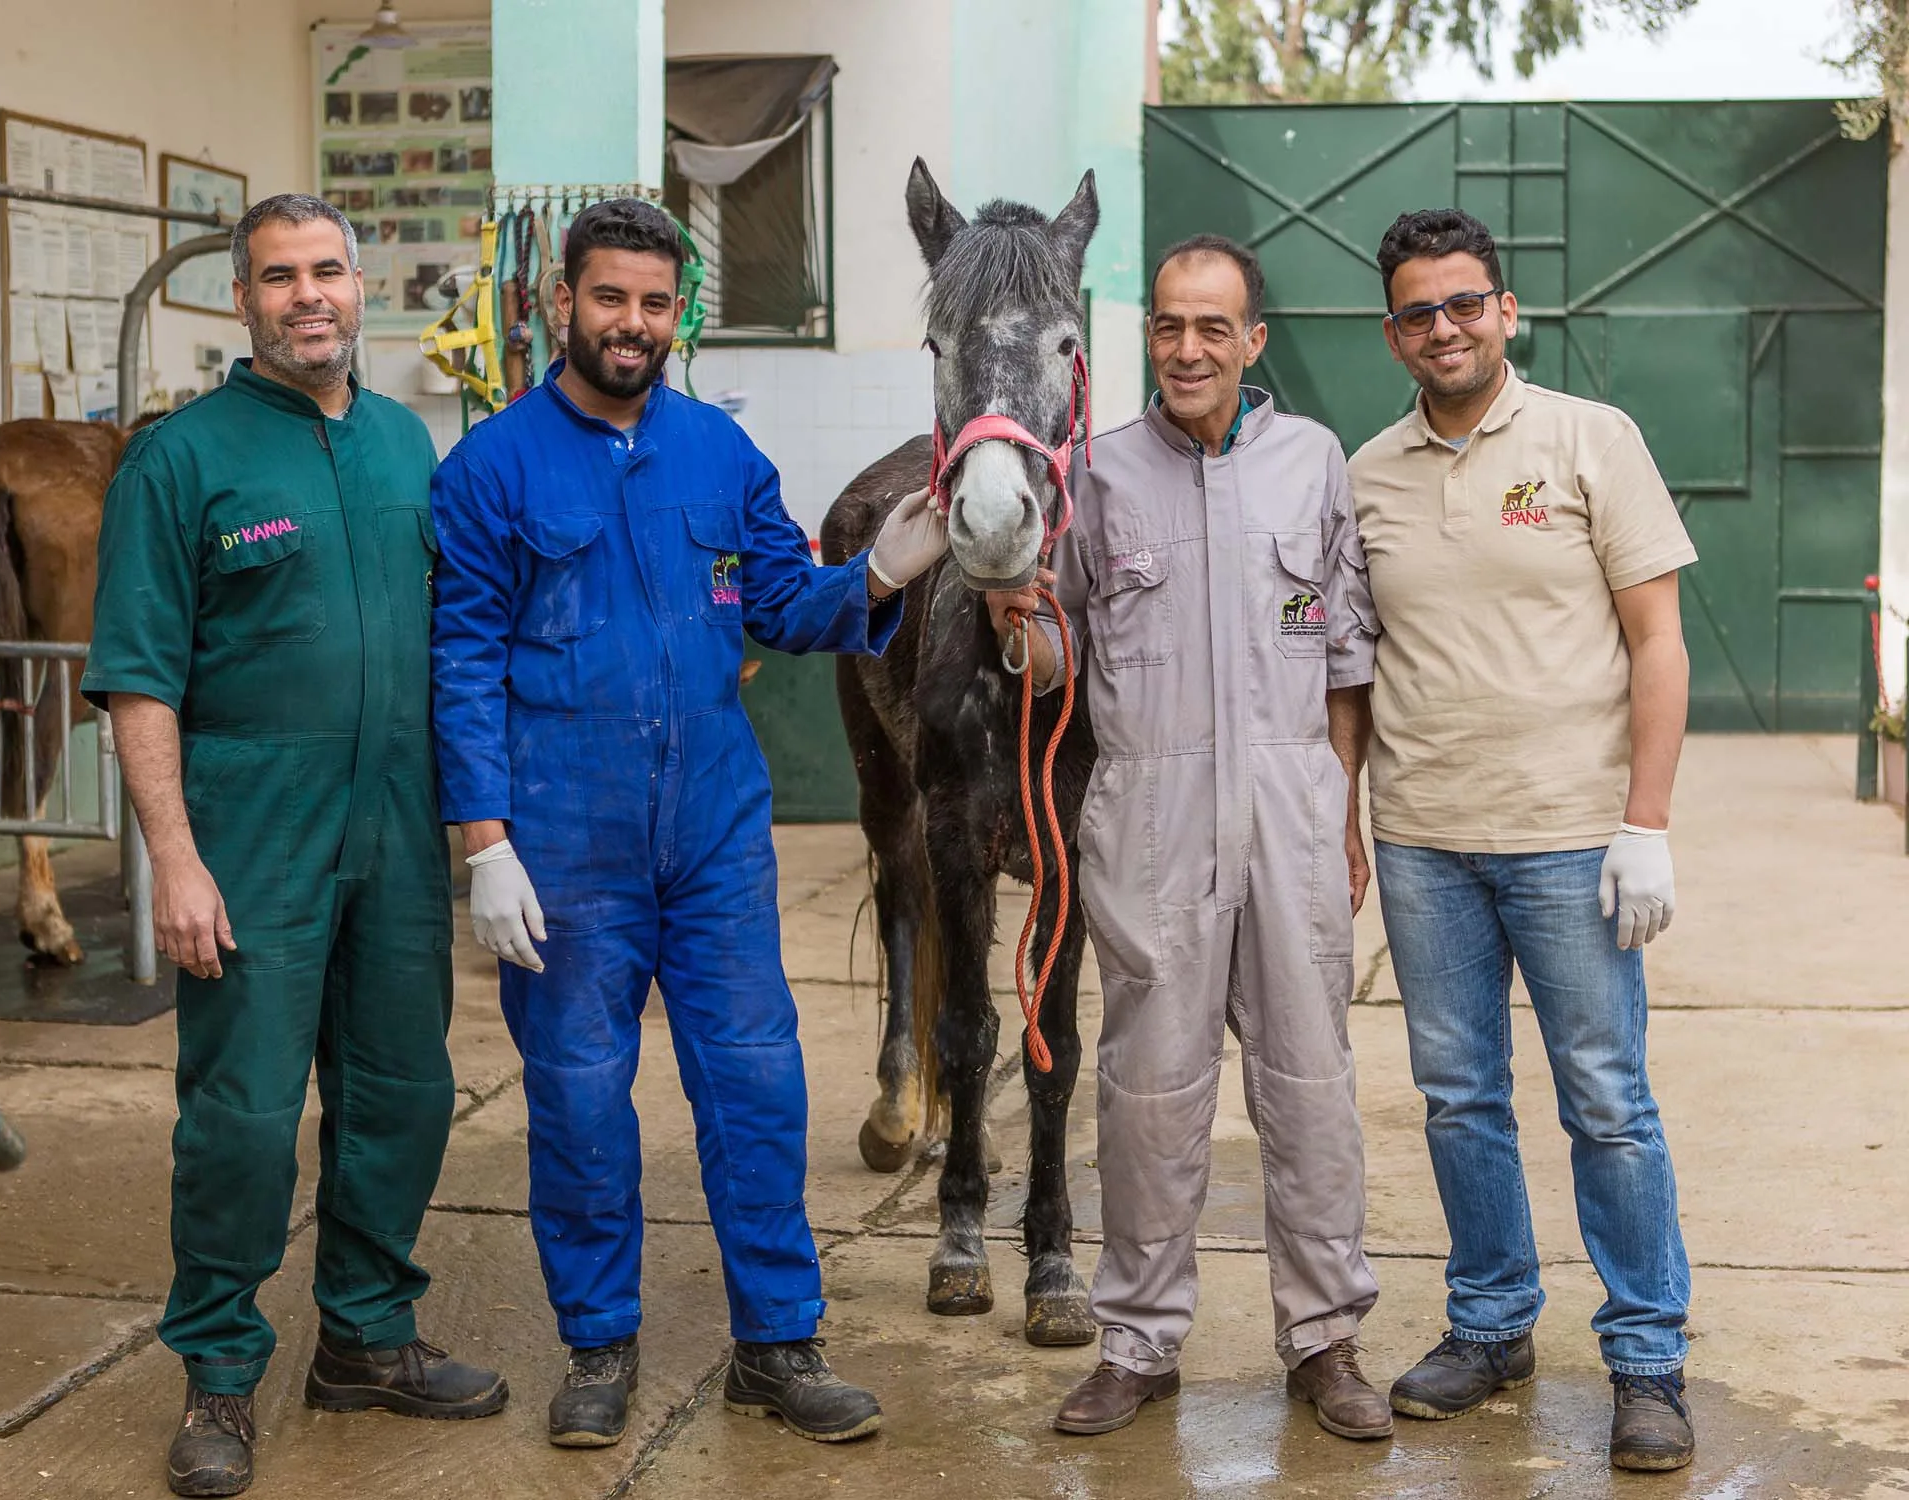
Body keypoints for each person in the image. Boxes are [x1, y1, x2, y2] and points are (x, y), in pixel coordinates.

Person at [428, 198, 948, 1450]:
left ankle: (776, 1343)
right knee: (580, 1103)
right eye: (610, 298)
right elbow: (459, 662)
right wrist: (483, 843)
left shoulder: (721, 457)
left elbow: (782, 603)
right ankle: (598, 1346)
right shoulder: (489, 469)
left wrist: (879, 573)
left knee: (757, 1089)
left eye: (657, 304)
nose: (633, 324)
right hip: (564, 843)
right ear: (562, 304)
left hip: (713, 832)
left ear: (679, 314)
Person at [83, 193, 506, 1500]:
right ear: (242, 300)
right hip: (249, 843)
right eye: (280, 276)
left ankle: (366, 1338)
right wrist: (177, 859)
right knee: (243, 1120)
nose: (309, 295)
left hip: (394, 835)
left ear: (360, 284)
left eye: (328, 271)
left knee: (402, 1098)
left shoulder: (404, 448)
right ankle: (219, 1373)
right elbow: (140, 680)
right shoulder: (181, 461)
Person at [993, 234, 1389, 1441]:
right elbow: (1058, 656)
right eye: (1168, 325)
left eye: (1213, 327)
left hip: (1289, 807)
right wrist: (1022, 623)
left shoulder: (1310, 461)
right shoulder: (1095, 476)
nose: (1187, 348)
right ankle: (1138, 1344)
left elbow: (1344, 653)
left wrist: (1341, 809)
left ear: (1252, 341)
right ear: (1146, 337)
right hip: (1149, 815)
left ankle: (1323, 1340)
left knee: (1310, 1087)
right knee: (1148, 1095)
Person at [1347, 207, 1698, 1473]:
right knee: (1457, 1099)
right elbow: (1349, 669)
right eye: (1417, 312)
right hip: (1424, 840)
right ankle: (1490, 1322)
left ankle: (1646, 1354)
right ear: (1392, 334)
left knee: (1604, 1102)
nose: (1442, 328)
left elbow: (1656, 639)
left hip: (1567, 839)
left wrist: (1642, 824)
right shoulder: (1366, 474)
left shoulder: (1587, 440)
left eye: (1462, 304)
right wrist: (1345, 825)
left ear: (1504, 311)